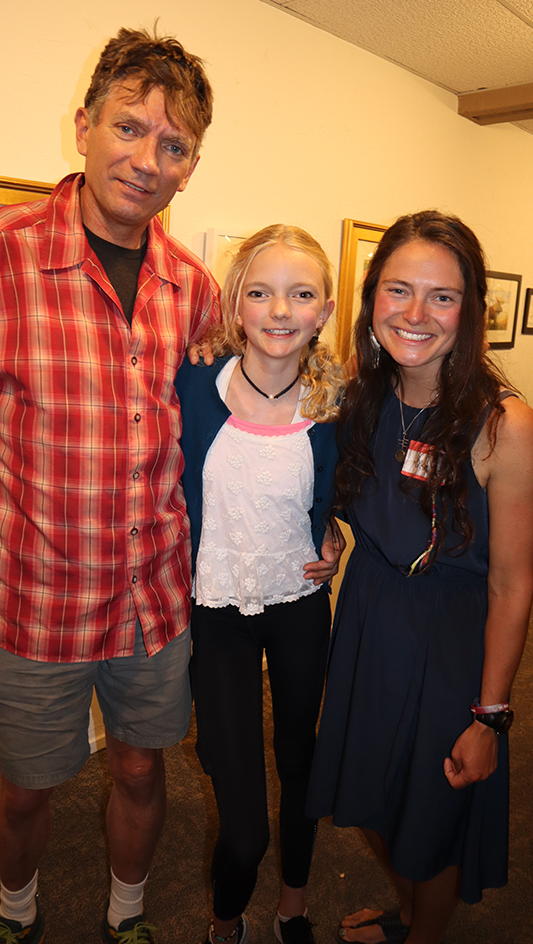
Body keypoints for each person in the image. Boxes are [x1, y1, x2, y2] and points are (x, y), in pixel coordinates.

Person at [0, 27, 218, 944]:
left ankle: (126, 914)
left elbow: (202, 439)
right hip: (31, 603)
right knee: (25, 787)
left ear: (189, 165)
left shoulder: (195, 290)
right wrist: (5, 505)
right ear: (83, 126)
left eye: (171, 146)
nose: (145, 159)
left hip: (154, 598)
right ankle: (16, 912)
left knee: (138, 768)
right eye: (128, 128)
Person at [306, 211, 533, 944]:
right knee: (373, 799)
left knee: (432, 817)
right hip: (367, 625)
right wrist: (330, 533)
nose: (414, 314)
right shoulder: (363, 395)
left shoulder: (505, 426)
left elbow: (512, 585)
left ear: (470, 311)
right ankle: (407, 914)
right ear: (371, 296)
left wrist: (488, 718)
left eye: (440, 297)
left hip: (446, 648)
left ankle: (424, 934)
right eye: (397, 290)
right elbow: (348, 491)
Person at [175, 225, 346, 944]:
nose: (280, 310)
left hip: (300, 605)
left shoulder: (337, 403)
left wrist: (332, 531)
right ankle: (224, 919)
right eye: (260, 292)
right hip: (218, 612)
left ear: (324, 309)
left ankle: (292, 905)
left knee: (300, 766)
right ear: (235, 306)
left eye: (300, 294)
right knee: (242, 821)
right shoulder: (193, 384)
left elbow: (338, 492)